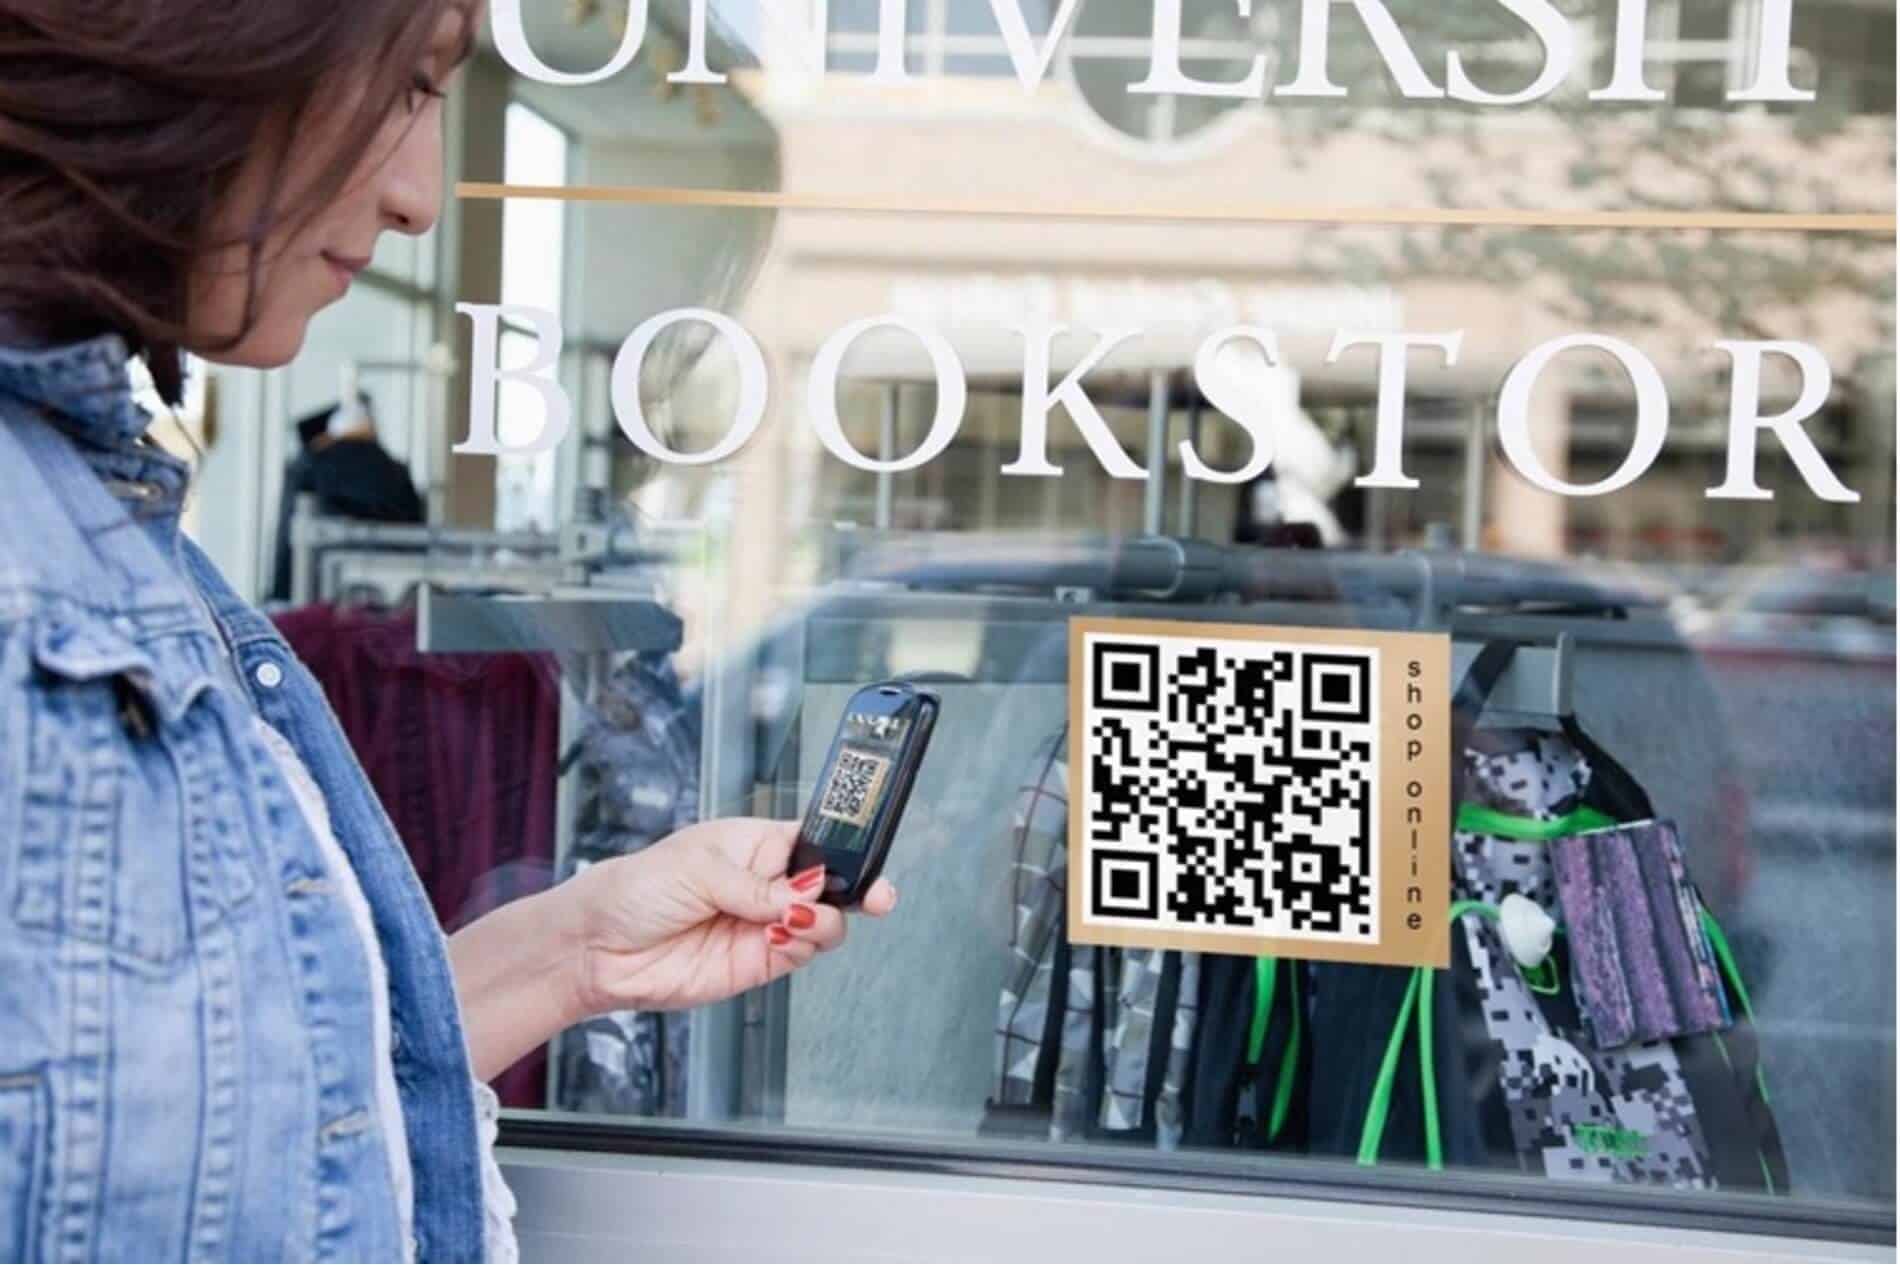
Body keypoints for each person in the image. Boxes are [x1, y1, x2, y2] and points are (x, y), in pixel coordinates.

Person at [0, 2, 895, 1260]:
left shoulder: (114, 539)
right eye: (410, 90)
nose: (422, 194)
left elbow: (212, 1111)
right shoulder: (43, 581)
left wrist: (576, 945)